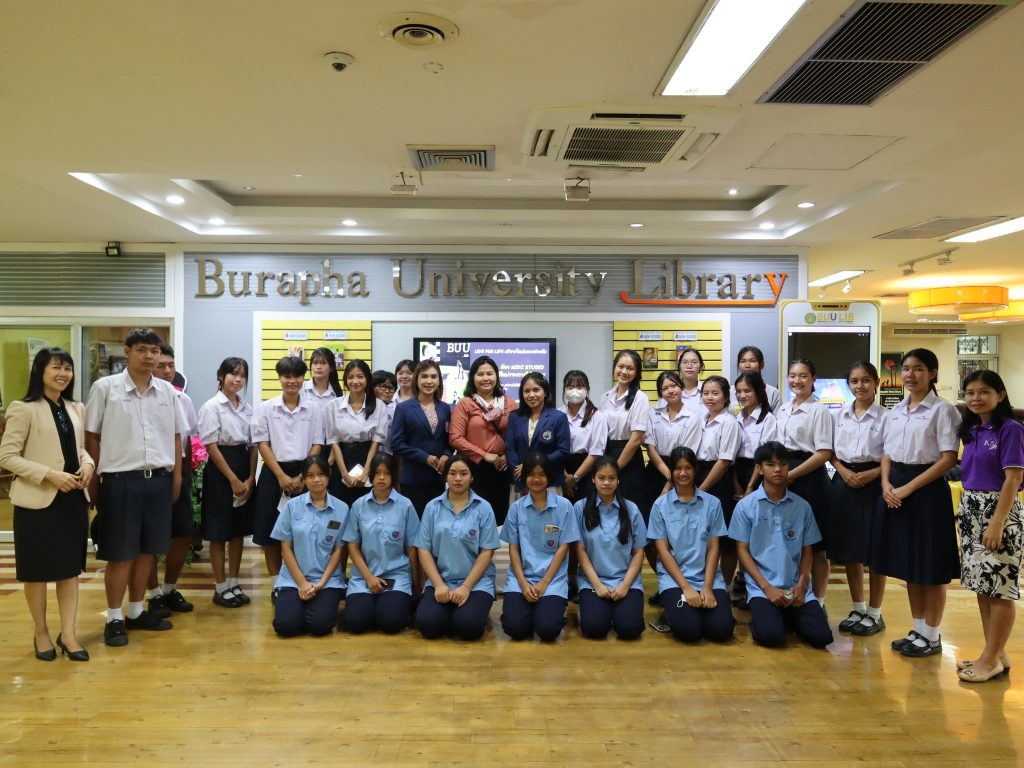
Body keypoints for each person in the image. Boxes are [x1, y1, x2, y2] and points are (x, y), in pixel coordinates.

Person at [84, 328, 188, 647]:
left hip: (158, 481)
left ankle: (136, 611)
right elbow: (91, 437)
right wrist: (95, 482)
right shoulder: (106, 388)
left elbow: (176, 437)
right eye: (142, 350)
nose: (149, 357)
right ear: (127, 352)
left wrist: (176, 478)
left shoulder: (168, 392)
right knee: (121, 553)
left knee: (147, 551)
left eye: (154, 351)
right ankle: (114, 618)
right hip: (121, 481)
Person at [0, 348, 95, 661]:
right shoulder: (23, 408)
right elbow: (7, 456)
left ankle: (68, 634)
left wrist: (88, 464)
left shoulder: (76, 407)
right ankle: (41, 631)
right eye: (56, 367)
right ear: (39, 371)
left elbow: (80, 449)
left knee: (69, 571)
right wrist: (49, 475)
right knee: (37, 572)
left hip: (72, 500)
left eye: (67, 368)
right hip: (36, 503)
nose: (63, 374)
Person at [872, 348, 960, 658]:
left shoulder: (943, 410)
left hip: (926, 491)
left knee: (930, 565)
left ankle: (932, 635)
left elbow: (948, 458)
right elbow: (886, 452)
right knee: (910, 564)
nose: (910, 374)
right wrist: (886, 483)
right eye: (907, 368)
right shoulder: (895, 410)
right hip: (895, 487)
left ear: (932, 373)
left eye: (919, 368)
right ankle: (919, 629)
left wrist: (907, 488)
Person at [729, 441, 833, 649]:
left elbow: (807, 550)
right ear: (759, 469)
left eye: (783, 464)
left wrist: (802, 584)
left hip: (796, 588)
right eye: (770, 464)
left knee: (822, 637)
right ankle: (770, 616)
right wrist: (766, 588)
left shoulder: (802, 506)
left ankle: (786, 616)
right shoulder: (745, 506)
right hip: (762, 589)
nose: (778, 469)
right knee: (771, 637)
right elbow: (742, 551)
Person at [955, 370, 1023, 682]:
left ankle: (990, 659)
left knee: (1001, 589)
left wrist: (997, 523)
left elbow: (1013, 479)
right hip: (971, 509)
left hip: (999, 511)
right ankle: (995, 653)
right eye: (970, 392)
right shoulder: (972, 429)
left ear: (1000, 395)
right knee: (984, 587)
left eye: (984, 392)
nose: (976, 398)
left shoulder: (1011, 429)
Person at [648, 447, 735, 643]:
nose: (683, 473)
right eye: (677, 468)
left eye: (688, 468)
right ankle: (672, 610)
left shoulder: (712, 503)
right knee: (689, 631)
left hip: (707, 577)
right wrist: (686, 587)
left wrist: (707, 587)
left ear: (696, 470)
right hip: (675, 579)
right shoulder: (660, 506)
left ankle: (699, 609)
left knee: (721, 631)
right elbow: (663, 551)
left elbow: (713, 548)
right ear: (671, 472)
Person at [251, 356, 322, 586]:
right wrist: (281, 476)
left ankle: (302, 579)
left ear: (304, 378)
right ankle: (277, 583)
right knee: (270, 531)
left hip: (305, 473)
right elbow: (262, 444)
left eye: (297, 376)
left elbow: (317, 443)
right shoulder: (266, 408)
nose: (292, 381)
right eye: (287, 376)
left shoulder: (314, 409)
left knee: (305, 531)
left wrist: (303, 477)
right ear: (279, 378)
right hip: (274, 473)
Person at [829, 362, 889, 636]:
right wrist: (843, 472)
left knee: (876, 549)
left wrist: (872, 474)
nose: (860, 386)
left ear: (876, 382)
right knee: (851, 549)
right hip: (844, 480)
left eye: (865, 380)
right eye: (854, 381)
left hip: (875, 481)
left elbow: (891, 454)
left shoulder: (886, 417)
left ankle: (875, 612)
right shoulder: (839, 415)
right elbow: (830, 451)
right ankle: (858, 607)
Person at [413, 455, 500, 640]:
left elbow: (487, 552)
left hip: (476, 583)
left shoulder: (483, 508)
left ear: (472, 477)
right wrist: (438, 585)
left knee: (467, 627)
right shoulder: (432, 507)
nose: (458, 478)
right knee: (428, 625)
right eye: (452, 473)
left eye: (463, 473)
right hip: (442, 580)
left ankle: (469, 614)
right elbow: (424, 550)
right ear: (446, 476)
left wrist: (466, 587)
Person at [500, 451, 580, 641]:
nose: (536, 479)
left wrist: (544, 583)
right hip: (521, 578)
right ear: (524, 477)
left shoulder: (564, 506)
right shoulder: (516, 508)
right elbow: (513, 548)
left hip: (552, 580)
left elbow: (563, 548)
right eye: (531, 474)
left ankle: (545, 611)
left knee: (547, 630)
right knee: (515, 629)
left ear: (549, 476)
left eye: (541, 474)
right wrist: (522, 583)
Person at [197, 357, 258, 608]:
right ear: (221, 376)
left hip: (243, 466)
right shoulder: (212, 407)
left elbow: (253, 445)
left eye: (242, 375)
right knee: (218, 531)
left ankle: (234, 581)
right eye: (233, 374)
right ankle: (220, 586)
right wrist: (233, 479)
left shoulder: (248, 408)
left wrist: (251, 478)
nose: (238, 379)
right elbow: (211, 446)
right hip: (221, 471)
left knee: (237, 531)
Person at [145, 343, 199, 618]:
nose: (167, 371)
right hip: (150, 473)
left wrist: (185, 475)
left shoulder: (183, 400)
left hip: (179, 474)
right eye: (161, 366)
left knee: (182, 532)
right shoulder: (143, 398)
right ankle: (153, 593)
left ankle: (169, 588)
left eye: (170, 365)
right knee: (149, 537)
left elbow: (188, 441)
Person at [775, 358, 834, 603]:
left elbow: (824, 453)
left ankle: (818, 602)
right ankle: (790, 595)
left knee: (816, 545)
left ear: (813, 379)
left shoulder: (819, 410)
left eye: (802, 376)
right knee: (787, 541)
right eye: (792, 375)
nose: (796, 380)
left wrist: (791, 475)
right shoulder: (782, 409)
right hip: (784, 475)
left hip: (810, 479)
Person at [270, 456, 348, 637]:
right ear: (303, 479)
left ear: (329, 475)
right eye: (310, 475)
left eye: (321, 474)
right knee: (286, 627)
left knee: (320, 626)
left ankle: (313, 608)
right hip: (293, 579)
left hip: (327, 580)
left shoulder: (342, 509)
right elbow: (285, 549)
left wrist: (321, 583)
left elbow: (338, 551)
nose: (316, 479)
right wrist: (303, 583)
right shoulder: (291, 507)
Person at [341, 454, 420, 634]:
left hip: (397, 576)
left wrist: (417, 583)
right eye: (377, 473)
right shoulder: (358, 505)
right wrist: (369, 577)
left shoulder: (405, 505)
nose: (382, 477)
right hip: (364, 576)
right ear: (371, 476)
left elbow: (412, 548)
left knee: (391, 623)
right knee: (355, 623)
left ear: (393, 476)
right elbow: (352, 546)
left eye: (387, 473)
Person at [572, 457, 646, 640]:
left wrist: (625, 585)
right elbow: (580, 551)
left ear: (618, 480)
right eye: (601, 478)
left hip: (625, 580)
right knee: (594, 629)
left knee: (630, 629)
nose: (606, 483)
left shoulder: (631, 509)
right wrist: (597, 585)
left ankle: (618, 612)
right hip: (593, 581)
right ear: (593, 479)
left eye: (612, 478)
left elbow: (638, 552)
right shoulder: (580, 508)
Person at [449, 356, 515, 524]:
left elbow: (518, 436)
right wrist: (484, 455)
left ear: (496, 376)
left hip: (503, 468)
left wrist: (508, 455)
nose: (486, 378)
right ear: (473, 378)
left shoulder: (509, 403)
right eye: (480, 374)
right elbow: (455, 438)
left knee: (500, 517)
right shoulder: (465, 404)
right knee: (475, 517)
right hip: (474, 469)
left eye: (490, 374)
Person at [388, 360, 453, 515]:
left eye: (433, 377)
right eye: (424, 376)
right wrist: (425, 457)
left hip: (438, 478)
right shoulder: (404, 408)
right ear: (416, 379)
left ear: (439, 381)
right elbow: (396, 444)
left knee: (436, 521)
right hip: (413, 478)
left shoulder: (445, 408)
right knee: (415, 523)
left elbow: (449, 440)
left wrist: (446, 454)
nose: (429, 381)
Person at [696, 375, 741, 586]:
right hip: (699, 475)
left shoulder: (729, 422)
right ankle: (706, 583)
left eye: (715, 393)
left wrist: (701, 491)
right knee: (704, 537)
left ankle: (726, 586)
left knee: (725, 541)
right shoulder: (701, 420)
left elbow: (724, 461)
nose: (710, 397)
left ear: (725, 397)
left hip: (718, 480)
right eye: (706, 393)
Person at [321, 359, 387, 507]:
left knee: (367, 506)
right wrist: (344, 474)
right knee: (341, 506)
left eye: (360, 376)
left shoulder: (379, 406)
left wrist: (366, 473)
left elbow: (375, 443)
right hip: (342, 459)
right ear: (345, 380)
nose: (355, 381)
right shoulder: (333, 406)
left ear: (367, 379)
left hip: (368, 457)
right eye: (350, 377)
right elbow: (334, 442)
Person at [644, 371, 702, 513]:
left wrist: (668, 485)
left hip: (681, 471)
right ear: (660, 393)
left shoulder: (692, 418)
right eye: (665, 388)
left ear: (681, 386)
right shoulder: (654, 414)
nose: (670, 391)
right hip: (654, 469)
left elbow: (687, 454)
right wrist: (670, 476)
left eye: (673, 386)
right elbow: (650, 448)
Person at [600, 350, 650, 507]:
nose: (624, 372)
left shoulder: (641, 398)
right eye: (620, 366)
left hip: (629, 458)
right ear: (614, 367)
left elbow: (636, 439)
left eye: (630, 368)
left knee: (629, 507)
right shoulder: (605, 396)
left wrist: (614, 469)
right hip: (607, 454)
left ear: (637, 372)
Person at [506, 372, 571, 493]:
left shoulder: (558, 417)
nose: (531, 395)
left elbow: (563, 451)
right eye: (527, 391)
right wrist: (521, 476)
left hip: (549, 482)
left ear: (545, 392)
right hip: (520, 482)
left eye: (536, 390)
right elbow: (510, 449)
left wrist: (530, 466)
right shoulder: (514, 417)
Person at [558, 370, 608, 506]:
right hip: (560, 470)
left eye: (579, 387)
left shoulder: (597, 416)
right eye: (570, 387)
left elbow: (596, 453)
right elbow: (553, 447)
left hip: (586, 471)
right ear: (564, 390)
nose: (575, 391)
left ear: (587, 389)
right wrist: (565, 477)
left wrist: (574, 478)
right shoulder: (557, 414)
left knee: (585, 511)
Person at [733, 371, 777, 497]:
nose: (742, 395)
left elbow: (764, 456)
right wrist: (735, 483)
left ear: (758, 391)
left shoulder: (767, 418)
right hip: (737, 470)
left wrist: (750, 486)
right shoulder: (738, 417)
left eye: (747, 391)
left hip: (758, 472)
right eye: (738, 391)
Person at [736, 346, 782, 413]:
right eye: (743, 361)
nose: (747, 365)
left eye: (752, 361)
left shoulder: (773, 393)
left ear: (762, 364)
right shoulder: (730, 392)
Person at [676, 347, 708, 419]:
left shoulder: (708, 392)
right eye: (685, 362)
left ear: (701, 366)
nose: (689, 366)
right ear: (679, 366)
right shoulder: (671, 392)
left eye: (694, 362)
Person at [371, 369, 398, 451]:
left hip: (388, 454)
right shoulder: (364, 408)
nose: (387, 391)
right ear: (372, 387)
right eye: (383, 387)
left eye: (391, 388)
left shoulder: (396, 411)